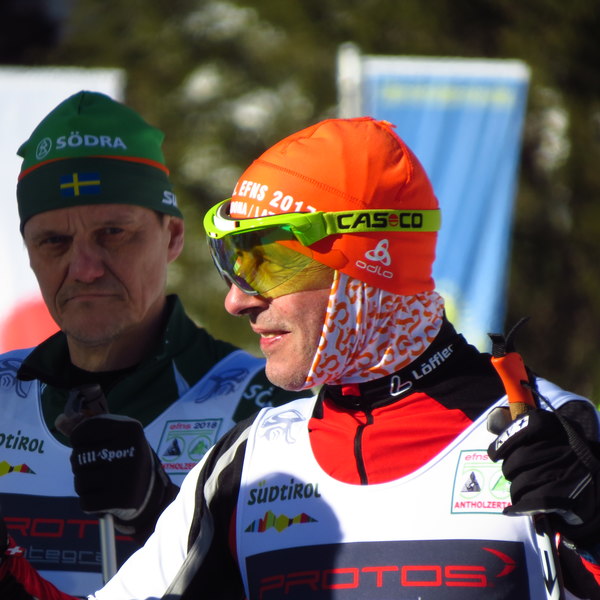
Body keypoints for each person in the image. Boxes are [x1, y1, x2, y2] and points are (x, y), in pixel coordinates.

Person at [88, 117, 600, 600]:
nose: (237, 300)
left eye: (268, 263)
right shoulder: (247, 462)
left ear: (371, 263)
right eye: (233, 261)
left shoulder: (554, 434)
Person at [0, 91, 306, 600]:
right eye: (54, 242)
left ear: (173, 237)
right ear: (29, 251)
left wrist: (163, 512)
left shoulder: (268, 407)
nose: (85, 268)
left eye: (113, 233)